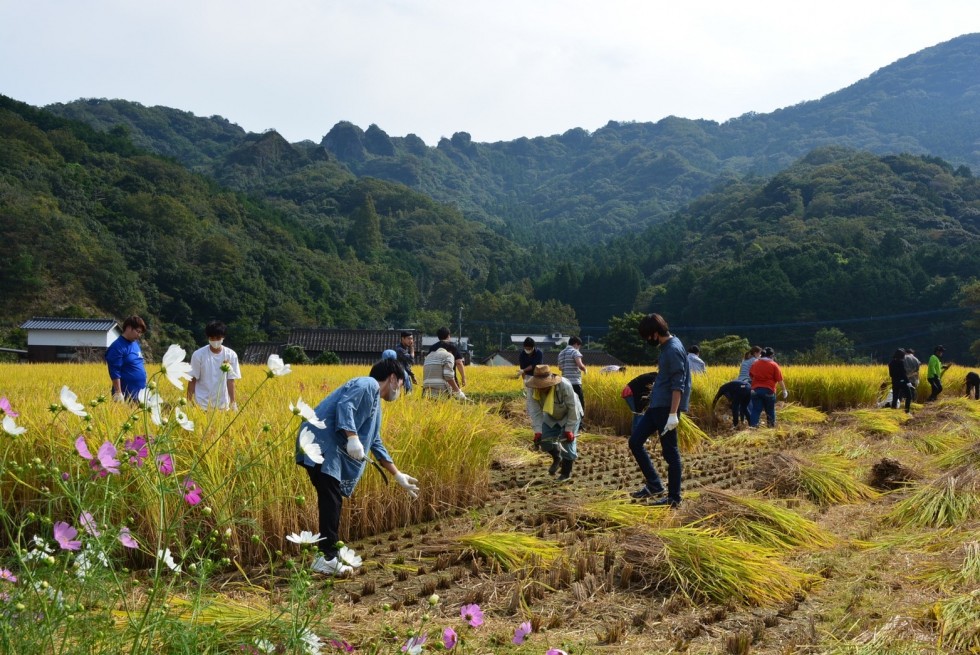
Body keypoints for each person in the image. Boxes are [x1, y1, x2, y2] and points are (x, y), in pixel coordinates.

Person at [295, 359, 419, 576]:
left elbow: (374, 441)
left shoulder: (375, 404)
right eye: (400, 383)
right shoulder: (368, 384)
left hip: (326, 448)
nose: (399, 389)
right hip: (320, 445)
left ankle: (327, 554)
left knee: (331, 499)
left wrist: (397, 474)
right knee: (331, 499)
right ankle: (327, 557)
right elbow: (346, 405)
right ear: (392, 378)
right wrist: (352, 437)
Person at [628, 313, 691, 508]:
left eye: (647, 336)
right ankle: (655, 484)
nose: (647, 340)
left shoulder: (672, 350)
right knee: (635, 442)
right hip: (656, 407)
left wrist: (673, 413)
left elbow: (678, 384)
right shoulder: (668, 346)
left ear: (655, 333)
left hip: (666, 409)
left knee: (670, 453)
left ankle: (674, 498)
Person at [526, 365, 582, 482]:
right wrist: (538, 431)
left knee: (567, 443)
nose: (541, 388)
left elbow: (573, 407)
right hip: (550, 415)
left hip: (570, 414)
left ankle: (566, 474)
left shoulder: (564, 386)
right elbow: (535, 411)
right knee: (545, 442)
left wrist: (569, 429)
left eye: (544, 385)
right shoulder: (532, 388)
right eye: (539, 385)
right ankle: (557, 457)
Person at [187, 321, 241, 411]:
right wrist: (188, 401)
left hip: (223, 405)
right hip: (201, 405)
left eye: (218, 338)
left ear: (223, 337)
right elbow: (193, 379)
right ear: (208, 338)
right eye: (212, 338)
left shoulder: (231, 355)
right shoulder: (198, 355)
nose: (215, 341)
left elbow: (231, 380)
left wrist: (233, 402)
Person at [105, 315, 148, 402]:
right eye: (138, 331)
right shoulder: (117, 346)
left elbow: (139, 364)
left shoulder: (135, 344)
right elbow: (114, 371)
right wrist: (118, 392)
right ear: (129, 328)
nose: (139, 335)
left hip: (141, 394)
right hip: (127, 395)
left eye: (141, 333)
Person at [748, 347, 788, 427]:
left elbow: (751, 375)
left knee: (756, 410)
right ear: (771, 355)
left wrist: (757, 383)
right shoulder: (773, 365)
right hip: (769, 391)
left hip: (755, 391)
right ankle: (770, 428)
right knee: (770, 411)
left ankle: (752, 428)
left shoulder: (755, 363)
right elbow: (779, 379)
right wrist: (784, 390)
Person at [557, 336, 587, 412]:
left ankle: (567, 422)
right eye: (579, 346)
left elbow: (560, 368)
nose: (579, 348)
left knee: (567, 404)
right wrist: (585, 369)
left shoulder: (561, 353)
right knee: (580, 404)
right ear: (576, 344)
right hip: (574, 382)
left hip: (564, 382)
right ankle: (579, 423)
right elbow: (580, 365)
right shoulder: (575, 352)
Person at [888, 348, 912, 414]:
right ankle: (907, 411)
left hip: (894, 382)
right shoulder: (901, 363)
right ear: (901, 355)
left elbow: (891, 374)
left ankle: (893, 411)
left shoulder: (891, 363)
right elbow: (903, 374)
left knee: (895, 397)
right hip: (902, 382)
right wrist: (908, 382)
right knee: (909, 396)